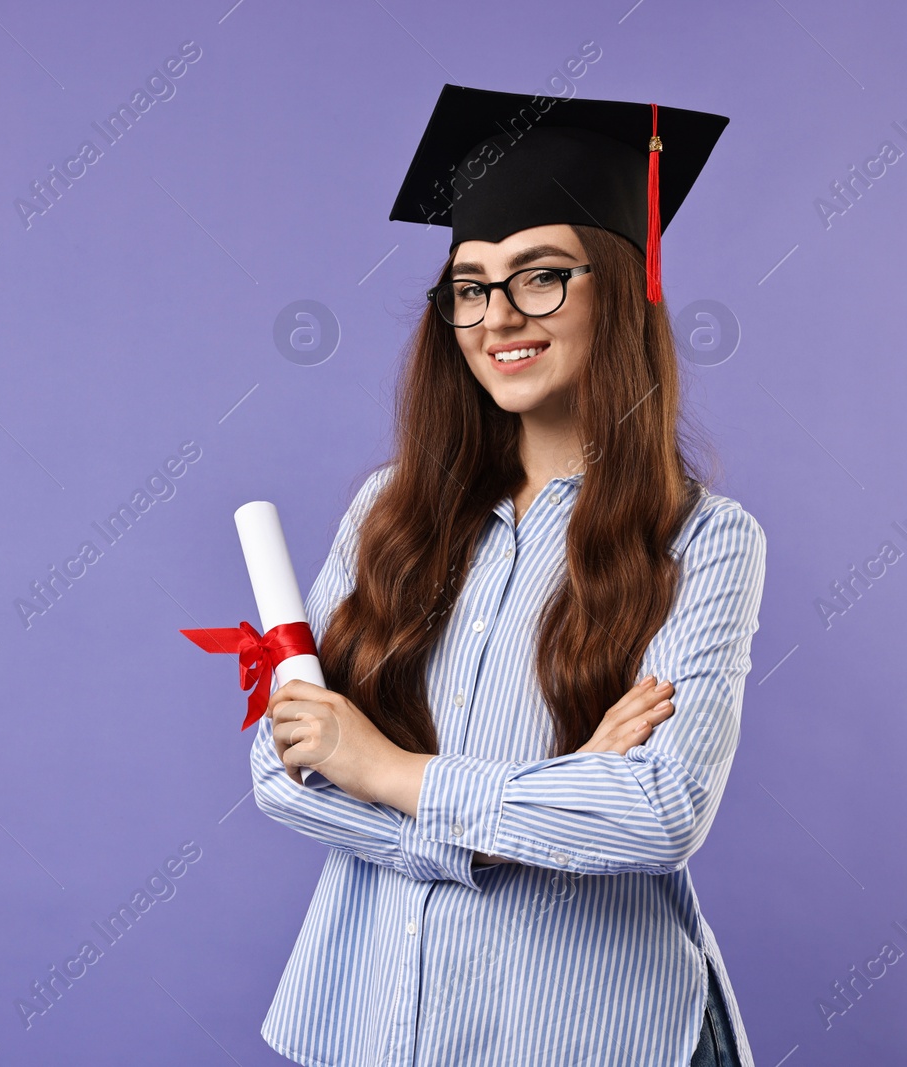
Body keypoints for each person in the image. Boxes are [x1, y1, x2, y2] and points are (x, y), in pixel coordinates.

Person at [250, 84, 763, 1067]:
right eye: (471, 285)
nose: (497, 317)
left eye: (538, 278)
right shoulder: (389, 514)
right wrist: (549, 802)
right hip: (372, 1018)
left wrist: (387, 770)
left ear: (616, 286)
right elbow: (284, 769)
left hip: (592, 1029)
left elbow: (656, 812)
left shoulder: (703, 541)